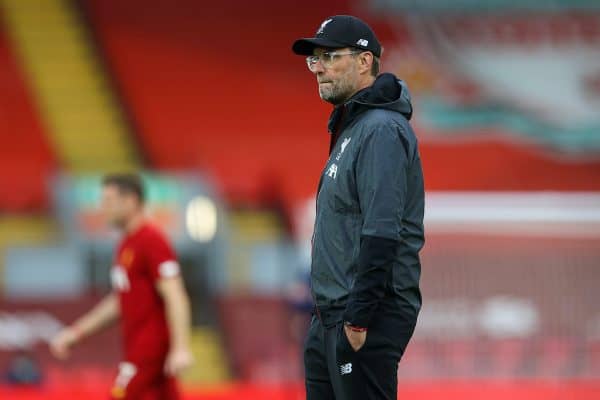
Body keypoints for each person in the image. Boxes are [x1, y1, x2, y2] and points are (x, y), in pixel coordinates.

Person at [292, 15, 425, 400]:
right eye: (314, 59)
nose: (319, 68)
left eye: (330, 56)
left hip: (363, 315)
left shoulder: (381, 128)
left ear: (364, 61)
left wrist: (359, 316)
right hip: (331, 315)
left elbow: (382, 230)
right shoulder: (354, 127)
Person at [50, 173, 193, 399]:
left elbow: (175, 294)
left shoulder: (152, 240)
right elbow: (120, 300)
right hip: (137, 346)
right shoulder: (126, 244)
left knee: (119, 394)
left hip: (150, 350)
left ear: (130, 201)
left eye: (108, 201)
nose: (102, 208)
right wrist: (76, 332)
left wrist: (181, 347)